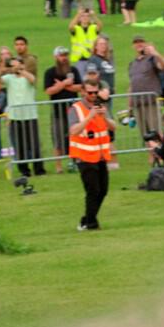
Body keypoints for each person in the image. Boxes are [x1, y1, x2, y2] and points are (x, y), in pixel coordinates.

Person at [68, 79, 115, 231]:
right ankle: (91, 223)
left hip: (100, 156)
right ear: (82, 92)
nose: (93, 95)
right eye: (90, 92)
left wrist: (105, 117)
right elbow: (73, 130)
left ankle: (87, 219)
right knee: (92, 190)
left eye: (96, 92)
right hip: (84, 156)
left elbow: (113, 127)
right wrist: (90, 116)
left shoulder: (101, 106)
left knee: (103, 190)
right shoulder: (76, 108)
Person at [0, 57, 45, 177]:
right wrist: (1, 71)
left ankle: (39, 170)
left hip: (30, 116)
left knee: (34, 145)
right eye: (14, 65)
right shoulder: (9, 78)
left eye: (18, 64)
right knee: (19, 146)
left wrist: (21, 70)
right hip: (15, 118)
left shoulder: (28, 77)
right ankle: (24, 171)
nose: (16, 67)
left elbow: (32, 80)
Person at [44, 46, 83, 172]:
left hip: (73, 110)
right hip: (57, 111)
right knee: (58, 138)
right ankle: (58, 166)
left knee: (75, 136)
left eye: (65, 55)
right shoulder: (50, 72)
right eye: (61, 55)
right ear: (56, 57)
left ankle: (76, 162)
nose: (64, 58)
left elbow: (80, 87)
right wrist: (65, 83)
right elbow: (49, 90)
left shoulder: (74, 70)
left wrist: (61, 85)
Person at [128, 36, 164, 149]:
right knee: (145, 134)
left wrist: (156, 53)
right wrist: (129, 107)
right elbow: (131, 86)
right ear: (133, 46)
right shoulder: (132, 64)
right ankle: (152, 155)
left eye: (141, 42)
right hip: (138, 103)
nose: (139, 44)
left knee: (156, 130)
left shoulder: (152, 59)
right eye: (136, 42)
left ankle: (161, 154)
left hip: (152, 102)